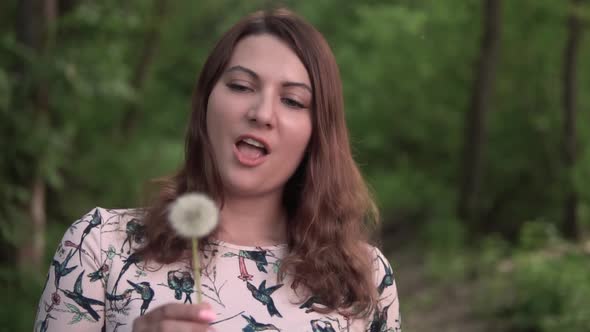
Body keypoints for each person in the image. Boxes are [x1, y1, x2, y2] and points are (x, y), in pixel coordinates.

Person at [35, 8, 401, 332]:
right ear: (205, 103)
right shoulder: (101, 246)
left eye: (292, 100)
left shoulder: (363, 277)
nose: (261, 113)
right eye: (241, 86)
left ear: (317, 132)